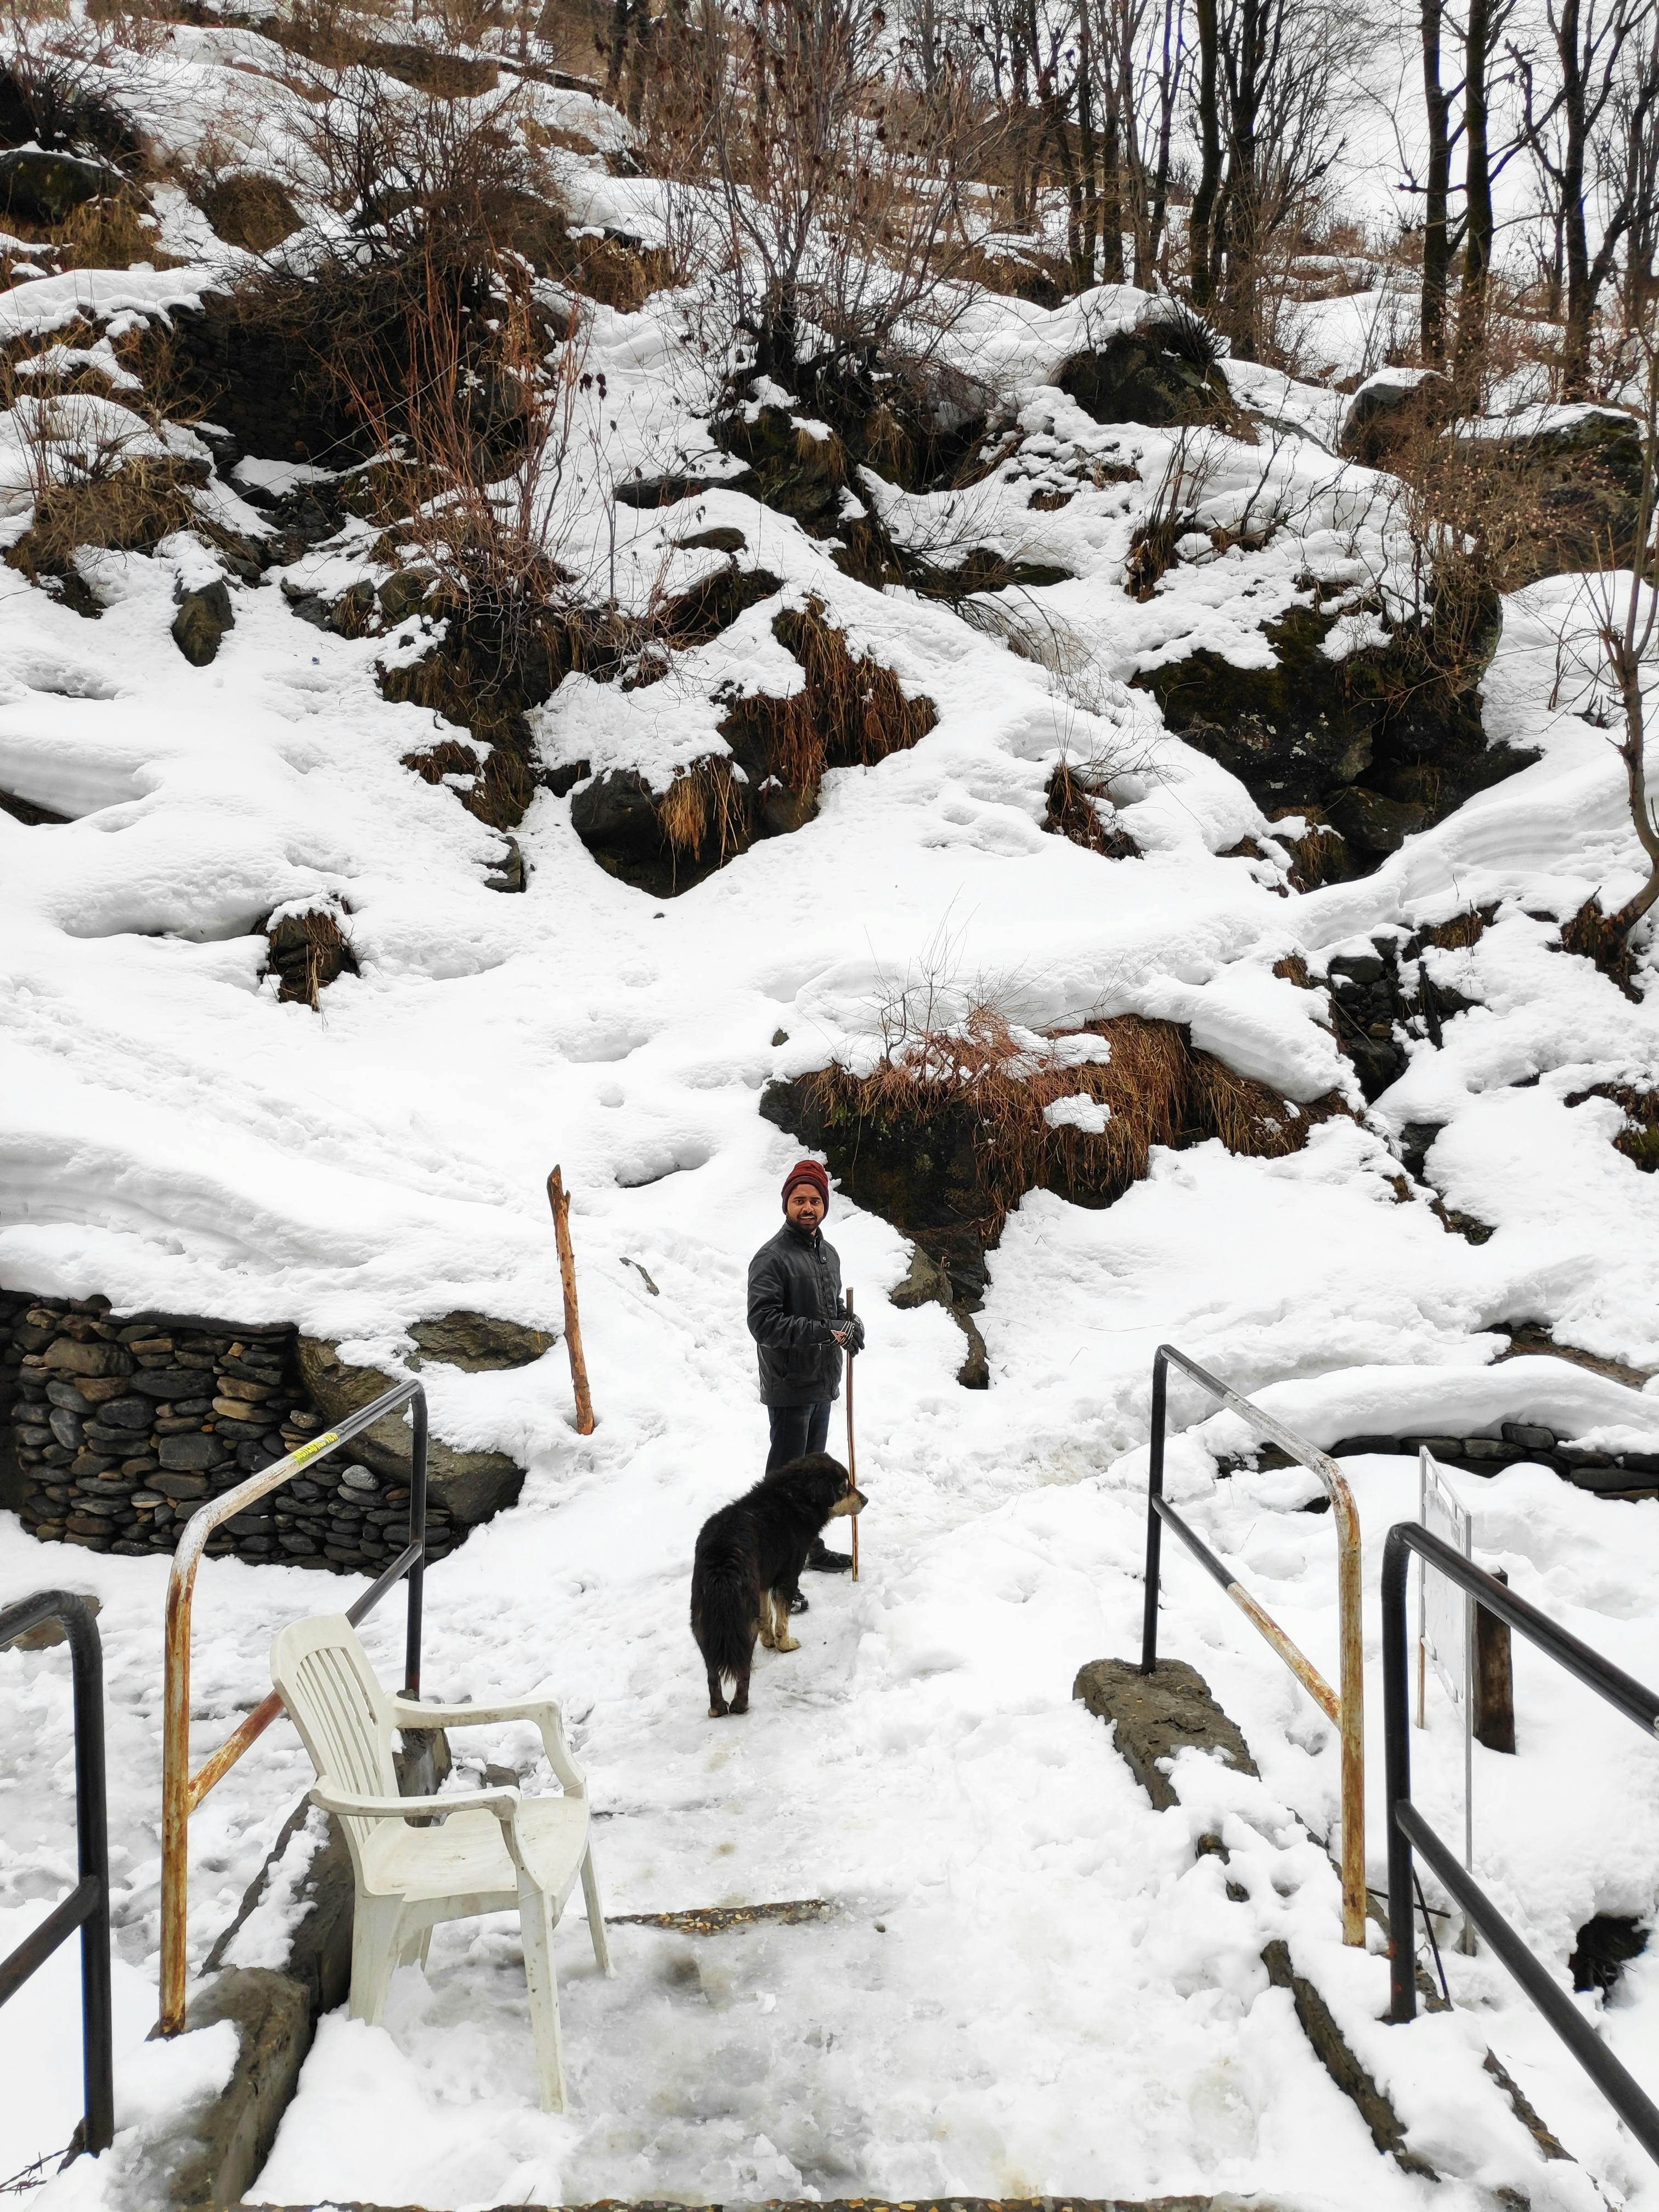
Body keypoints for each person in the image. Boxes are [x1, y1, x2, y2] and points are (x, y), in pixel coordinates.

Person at [747, 1159, 866, 1592]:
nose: (808, 1207)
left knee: (813, 1483)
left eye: (815, 1200)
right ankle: (770, 1571)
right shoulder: (771, 1258)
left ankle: (806, 1549)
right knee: (783, 1488)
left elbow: (831, 1309)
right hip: (790, 1386)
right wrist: (825, 1331)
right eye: (800, 1200)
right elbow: (763, 1324)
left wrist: (850, 1324)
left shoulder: (827, 1254)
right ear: (787, 1205)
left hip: (822, 1384)